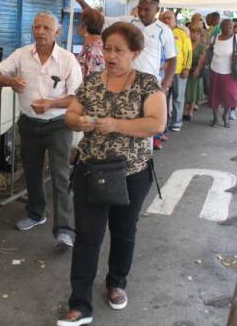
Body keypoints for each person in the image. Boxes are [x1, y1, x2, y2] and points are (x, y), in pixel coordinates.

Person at [57, 22, 166, 326]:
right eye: (108, 48)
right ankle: (79, 304)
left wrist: (116, 125)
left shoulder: (147, 84)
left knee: (123, 232)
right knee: (87, 238)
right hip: (91, 171)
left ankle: (116, 283)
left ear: (135, 52)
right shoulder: (92, 81)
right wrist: (78, 122)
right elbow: (70, 113)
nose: (111, 55)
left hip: (132, 173)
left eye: (119, 50)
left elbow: (157, 123)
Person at [0, 11, 82, 248]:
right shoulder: (21, 54)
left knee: (60, 176)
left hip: (58, 124)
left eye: (46, 28)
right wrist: (10, 81)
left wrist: (51, 103)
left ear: (57, 32)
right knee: (32, 172)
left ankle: (64, 230)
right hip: (29, 123)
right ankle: (36, 214)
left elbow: (76, 98)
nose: (40, 32)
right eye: (36, 27)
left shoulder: (67, 60)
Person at [72, 0, 176, 150]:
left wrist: (165, 84)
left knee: (145, 128)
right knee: (118, 123)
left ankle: (140, 164)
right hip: (122, 82)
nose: (141, 12)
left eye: (146, 9)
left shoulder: (165, 31)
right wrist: (81, 2)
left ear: (157, 10)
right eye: (140, 8)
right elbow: (99, 19)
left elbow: (172, 59)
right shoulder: (128, 22)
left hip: (148, 86)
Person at [208, 19, 237, 127]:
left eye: (230, 26)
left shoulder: (236, 38)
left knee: (229, 95)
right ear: (221, 27)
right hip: (215, 70)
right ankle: (215, 118)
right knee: (214, 95)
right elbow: (210, 49)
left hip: (229, 72)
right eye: (226, 26)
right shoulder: (215, 38)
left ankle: (225, 116)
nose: (229, 28)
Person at [159, 10, 192, 131]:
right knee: (163, 97)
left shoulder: (182, 33)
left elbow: (188, 51)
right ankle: (164, 122)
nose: (167, 20)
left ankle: (176, 122)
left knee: (178, 97)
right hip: (163, 72)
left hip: (179, 71)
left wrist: (186, 67)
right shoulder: (159, 31)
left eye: (169, 18)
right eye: (164, 18)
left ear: (175, 20)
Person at [183, 25, 206, 121]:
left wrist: (197, 70)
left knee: (193, 93)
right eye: (192, 33)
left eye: (198, 34)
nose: (195, 35)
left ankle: (190, 111)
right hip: (185, 69)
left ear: (201, 36)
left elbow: (202, 60)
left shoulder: (202, 46)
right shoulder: (186, 43)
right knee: (184, 92)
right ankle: (184, 110)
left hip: (196, 70)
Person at [75, 8, 105, 78]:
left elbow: (94, 79)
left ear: (85, 26)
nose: (79, 26)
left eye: (80, 22)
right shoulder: (96, 46)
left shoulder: (93, 49)